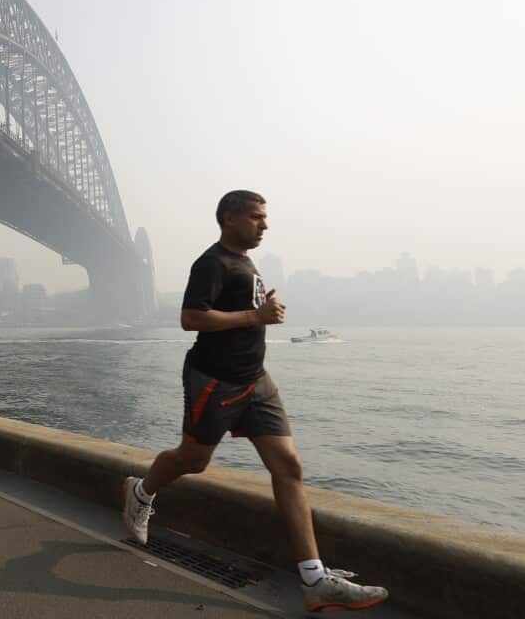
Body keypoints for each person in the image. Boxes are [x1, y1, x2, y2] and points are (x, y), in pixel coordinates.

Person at [121, 190, 389, 613]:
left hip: (257, 381)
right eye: (255, 217)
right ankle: (140, 491)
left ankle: (314, 579)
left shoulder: (246, 263)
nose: (264, 225)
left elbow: (242, 312)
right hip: (215, 381)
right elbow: (191, 318)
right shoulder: (212, 262)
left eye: (265, 218)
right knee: (193, 461)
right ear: (229, 219)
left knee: (288, 466)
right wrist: (255, 317)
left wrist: (263, 309)